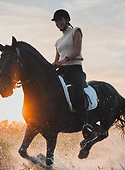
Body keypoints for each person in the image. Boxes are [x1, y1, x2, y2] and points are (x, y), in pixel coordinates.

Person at [51, 9, 95, 139]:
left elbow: (77, 50)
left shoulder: (76, 31)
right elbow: (56, 60)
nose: (58, 23)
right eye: (56, 21)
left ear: (67, 20)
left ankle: (85, 125)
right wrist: (50, 66)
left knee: (78, 92)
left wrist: (64, 60)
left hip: (75, 69)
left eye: (60, 20)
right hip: (62, 71)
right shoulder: (58, 42)